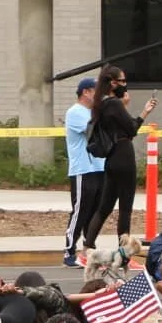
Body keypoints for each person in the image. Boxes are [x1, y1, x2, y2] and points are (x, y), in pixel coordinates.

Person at [82, 64, 157, 248]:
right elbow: (131, 129)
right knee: (125, 209)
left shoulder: (100, 103)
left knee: (104, 208)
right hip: (124, 156)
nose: (125, 84)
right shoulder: (115, 104)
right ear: (113, 83)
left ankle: (88, 246)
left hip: (111, 159)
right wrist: (144, 113)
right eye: (122, 81)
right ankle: (124, 253)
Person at [63, 77, 105, 266]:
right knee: (80, 211)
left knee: (95, 211)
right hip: (82, 169)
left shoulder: (92, 112)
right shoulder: (76, 112)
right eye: (97, 91)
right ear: (86, 92)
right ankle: (69, 252)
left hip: (98, 167)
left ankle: (88, 250)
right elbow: (94, 130)